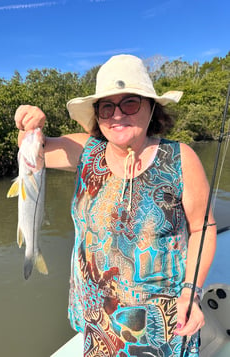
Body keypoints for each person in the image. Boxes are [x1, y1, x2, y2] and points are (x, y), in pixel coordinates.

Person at [14, 54, 217, 356]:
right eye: (106, 106)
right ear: (97, 115)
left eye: (130, 103)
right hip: (96, 320)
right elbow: (31, 150)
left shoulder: (180, 158)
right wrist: (30, 123)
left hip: (165, 324)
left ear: (151, 108)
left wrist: (192, 291)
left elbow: (203, 228)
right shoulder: (86, 151)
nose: (117, 114)